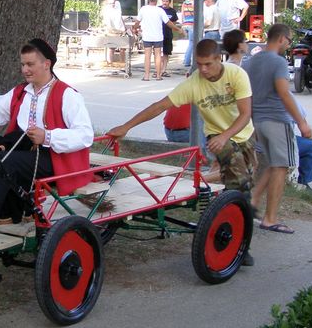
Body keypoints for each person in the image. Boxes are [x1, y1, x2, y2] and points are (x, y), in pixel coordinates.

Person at [0, 39, 94, 239]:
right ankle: (5, 213)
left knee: (6, 161)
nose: (25, 70)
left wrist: (48, 136)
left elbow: (84, 134)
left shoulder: (67, 95)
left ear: (46, 64)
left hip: (54, 158)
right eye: (23, 64)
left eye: (30, 64)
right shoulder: (21, 92)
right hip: (26, 152)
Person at [108, 37, 255, 204]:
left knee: (247, 176)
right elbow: (159, 106)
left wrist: (226, 136)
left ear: (218, 59)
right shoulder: (194, 83)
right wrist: (126, 127)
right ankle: (235, 213)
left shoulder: (236, 75)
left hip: (243, 132)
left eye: (207, 64)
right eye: (199, 64)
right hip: (216, 134)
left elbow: (245, 114)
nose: (203, 70)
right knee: (240, 182)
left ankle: (226, 202)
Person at [243, 24, 312, 235]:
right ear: (281, 39)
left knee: (274, 164)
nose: (289, 45)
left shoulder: (250, 61)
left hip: (257, 121)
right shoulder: (279, 62)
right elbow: (284, 93)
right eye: (289, 41)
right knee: (282, 166)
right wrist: (301, 122)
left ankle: (254, 200)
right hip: (276, 119)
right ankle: (270, 218)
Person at [136, 0, 183, 81]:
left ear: (149, 0)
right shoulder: (160, 10)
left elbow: (137, 21)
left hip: (147, 36)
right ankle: (158, 76)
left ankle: (146, 76)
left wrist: (134, 28)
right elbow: (168, 22)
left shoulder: (143, 9)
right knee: (158, 56)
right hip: (158, 37)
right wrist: (177, 29)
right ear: (156, 1)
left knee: (147, 56)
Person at [160, 0, 180, 75]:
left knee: (166, 53)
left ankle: (163, 70)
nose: (164, 3)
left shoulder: (172, 11)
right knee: (158, 53)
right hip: (158, 35)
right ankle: (158, 69)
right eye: (163, 1)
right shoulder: (159, 9)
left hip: (168, 35)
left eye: (166, 1)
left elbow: (174, 23)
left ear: (169, 2)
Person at [180, 0, 196, 68]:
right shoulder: (194, 4)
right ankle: (187, 61)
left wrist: (182, 24)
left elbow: (182, 14)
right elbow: (196, 14)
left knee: (190, 42)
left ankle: (185, 59)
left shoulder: (184, 3)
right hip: (192, 24)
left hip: (186, 24)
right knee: (192, 43)